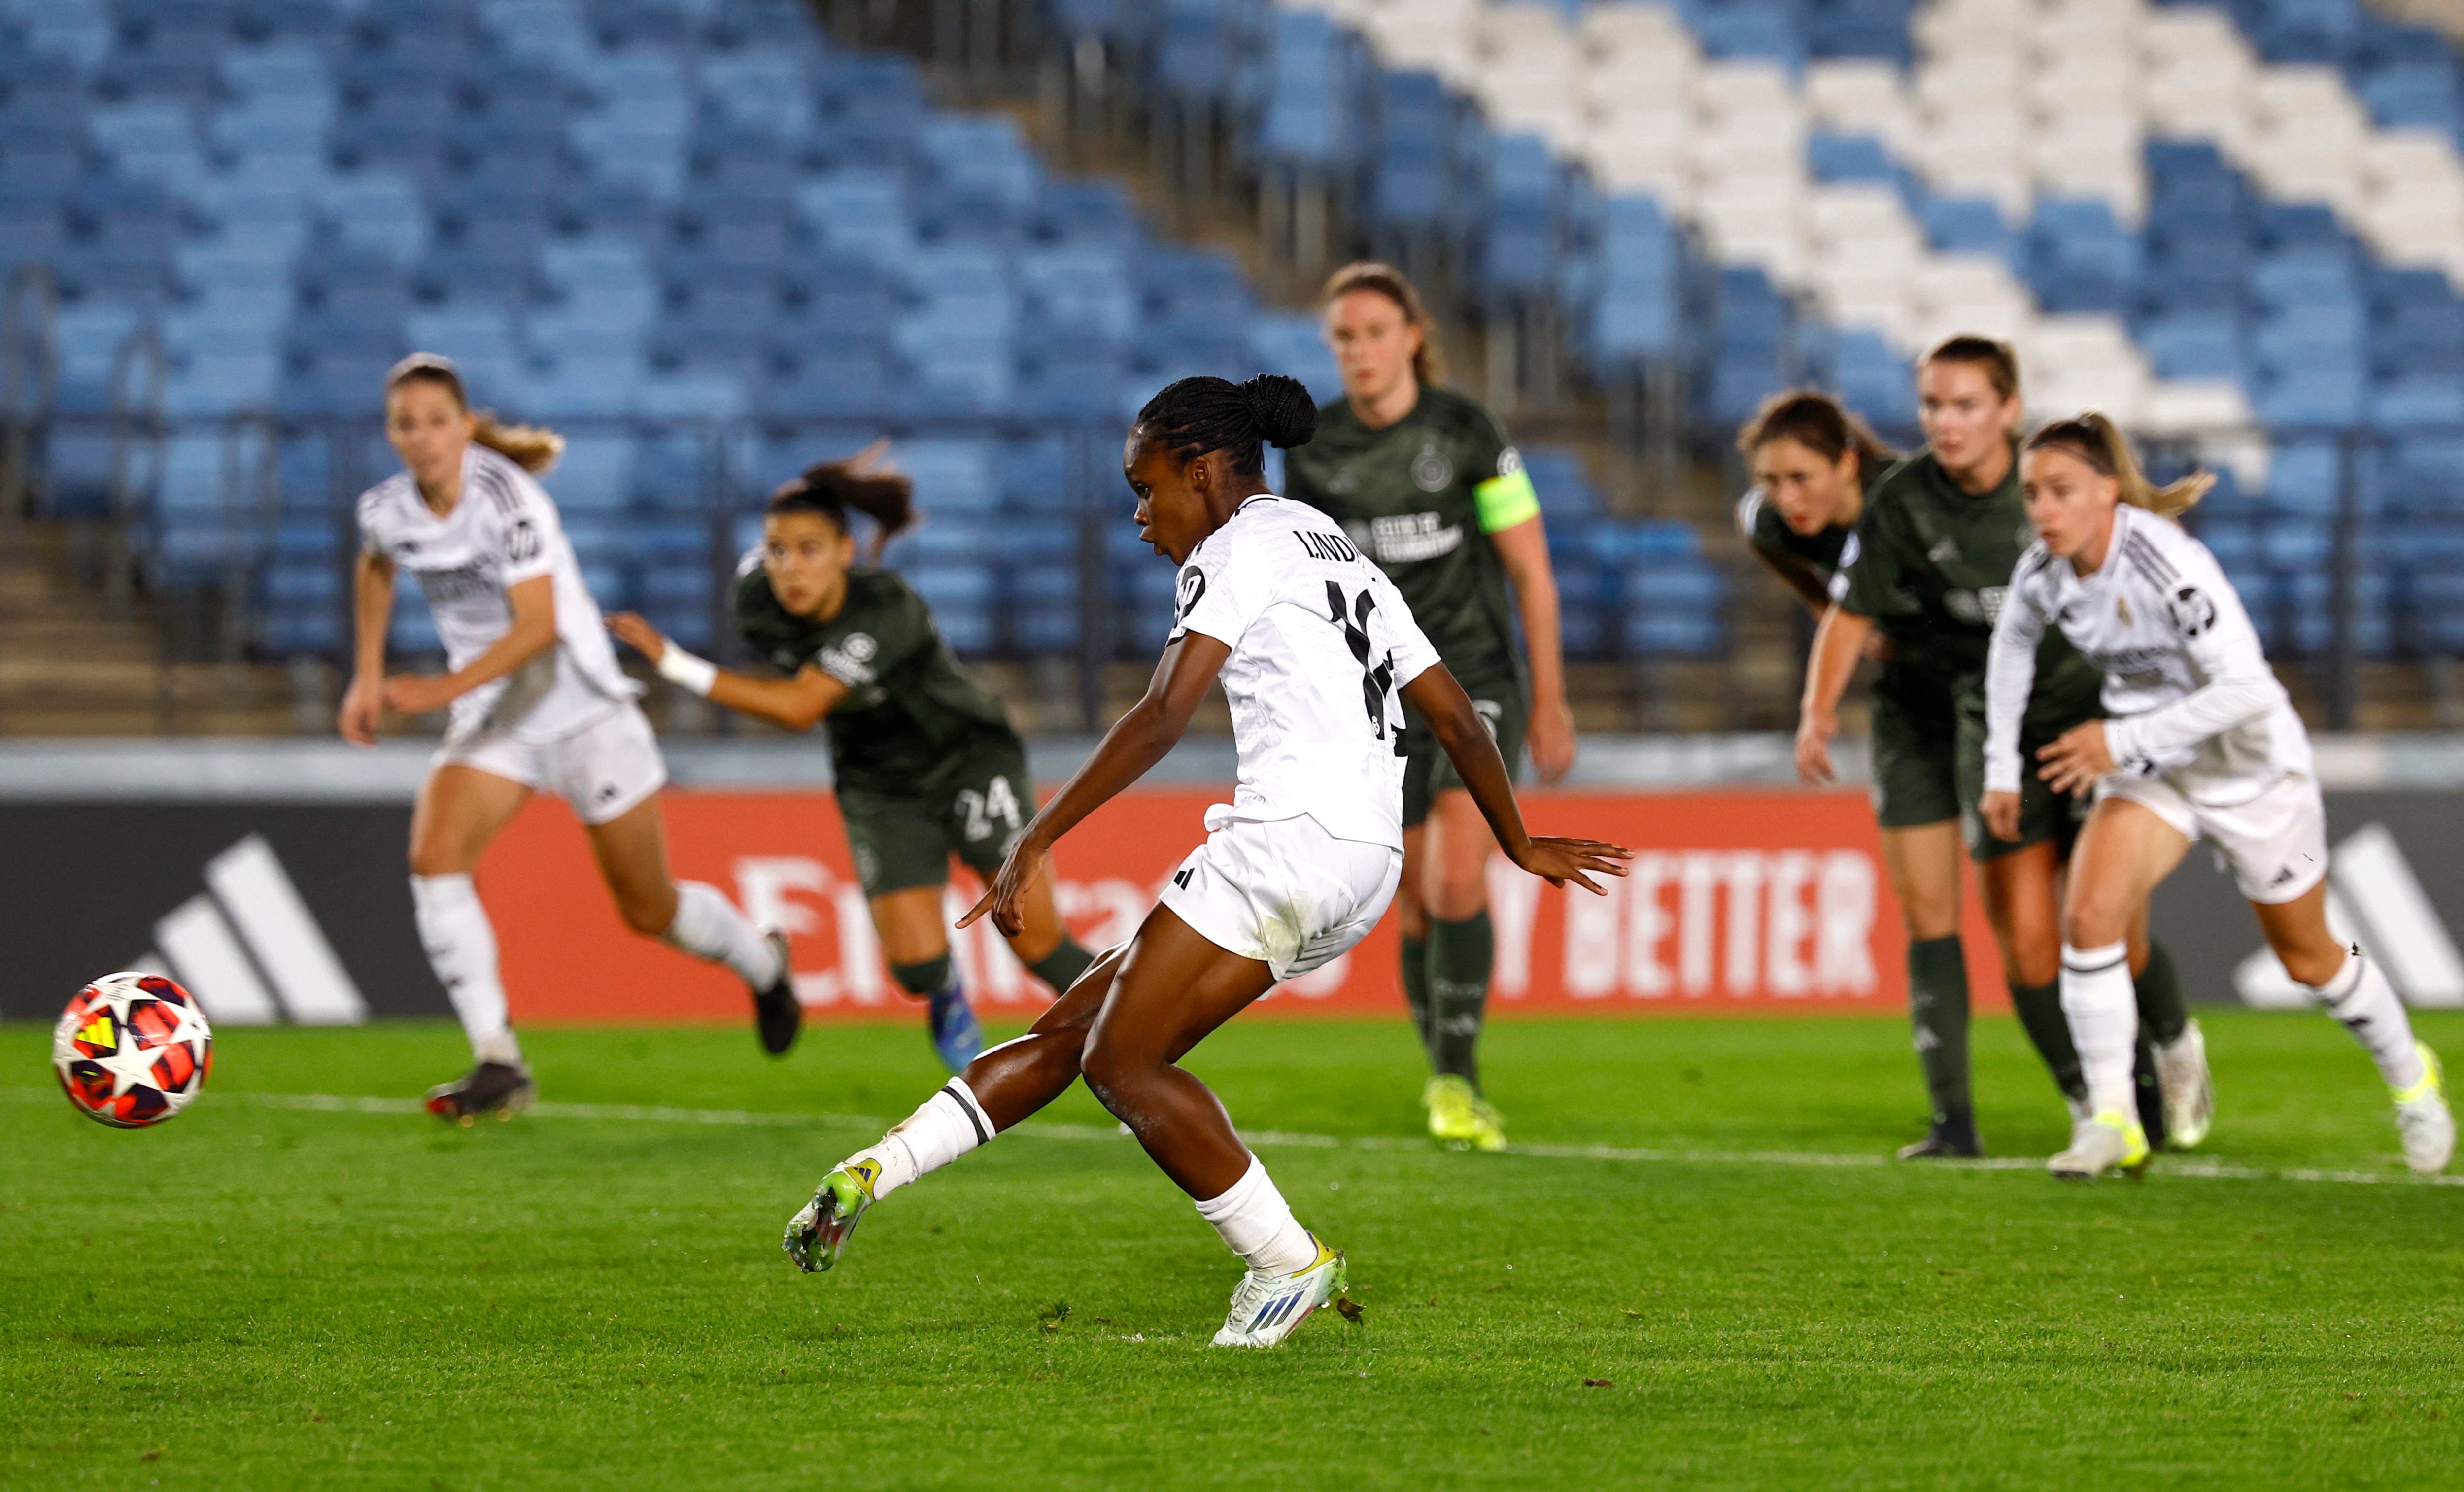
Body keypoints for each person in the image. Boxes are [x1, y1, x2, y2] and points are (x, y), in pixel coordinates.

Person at [777, 374, 1629, 1346]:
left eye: (1147, 489)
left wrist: (1037, 834)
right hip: (1363, 859)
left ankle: (1285, 1259)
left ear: (1202, 471)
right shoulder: (1331, 543)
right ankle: (870, 1171)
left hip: (1287, 839)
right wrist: (1515, 838)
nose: (1142, 517)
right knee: (1075, 1032)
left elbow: (1160, 716)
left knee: (1122, 1061)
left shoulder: (1235, 546)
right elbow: (1450, 709)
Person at [1983, 413, 2454, 1177]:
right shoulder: (2043, 573)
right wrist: (2000, 767)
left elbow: (2248, 688)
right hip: (2160, 767)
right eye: (2032, 492)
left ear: (2108, 490)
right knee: (2091, 914)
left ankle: (2412, 1079)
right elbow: (2009, 653)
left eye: (2061, 491)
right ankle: (2113, 1120)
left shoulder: (2169, 564)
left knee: (2313, 960)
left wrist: (2120, 741)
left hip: (2254, 771)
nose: (2043, 510)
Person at [342, 353, 796, 1122]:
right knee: (435, 857)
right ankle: (498, 1060)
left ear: (463, 425)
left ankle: (764, 963)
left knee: (649, 910)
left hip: (585, 710)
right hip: (503, 721)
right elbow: (376, 566)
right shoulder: (386, 509)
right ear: (390, 433)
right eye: (405, 424)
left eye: (436, 421)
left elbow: (540, 628)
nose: (422, 439)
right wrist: (367, 672)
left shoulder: (507, 498)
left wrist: (435, 690)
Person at [1794, 337, 2208, 1161]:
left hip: (2093, 714)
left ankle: (2173, 1042)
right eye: (1933, 406)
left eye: (1966, 405)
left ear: (2009, 411)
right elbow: (1852, 610)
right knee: (2026, 940)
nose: (1945, 423)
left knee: (2109, 926)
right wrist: (1816, 709)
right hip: (1998, 726)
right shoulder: (1904, 501)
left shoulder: (2054, 482)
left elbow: (2154, 567)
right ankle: (2097, 1101)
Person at [609, 452, 1100, 1073]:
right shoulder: (755, 604)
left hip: (968, 760)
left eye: (809, 549)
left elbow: (799, 707)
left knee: (1036, 941)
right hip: (878, 783)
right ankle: (947, 991)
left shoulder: (883, 606)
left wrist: (674, 663)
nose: (790, 567)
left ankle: (1133, 1040)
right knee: (915, 967)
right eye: (777, 551)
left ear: (847, 551)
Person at [1283, 261, 1577, 1153]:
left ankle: (1460, 1076)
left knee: (1456, 874)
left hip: (1474, 675)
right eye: (1344, 337)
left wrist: (1552, 696)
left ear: (1412, 336)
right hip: (1374, 689)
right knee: (1407, 895)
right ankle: (1444, 1064)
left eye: (1375, 332)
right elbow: (1307, 584)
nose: (1361, 351)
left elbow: (1530, 568)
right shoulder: (1315, 451)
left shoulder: (1470, 433)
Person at [1734, 389, 1894, 615]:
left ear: (1847, 464)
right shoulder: (1769, 523)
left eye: (1800, 478)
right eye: (1770, 480)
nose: (1786, 500)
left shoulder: (1911, 498)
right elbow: (1750, 519)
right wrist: (1827, 607)